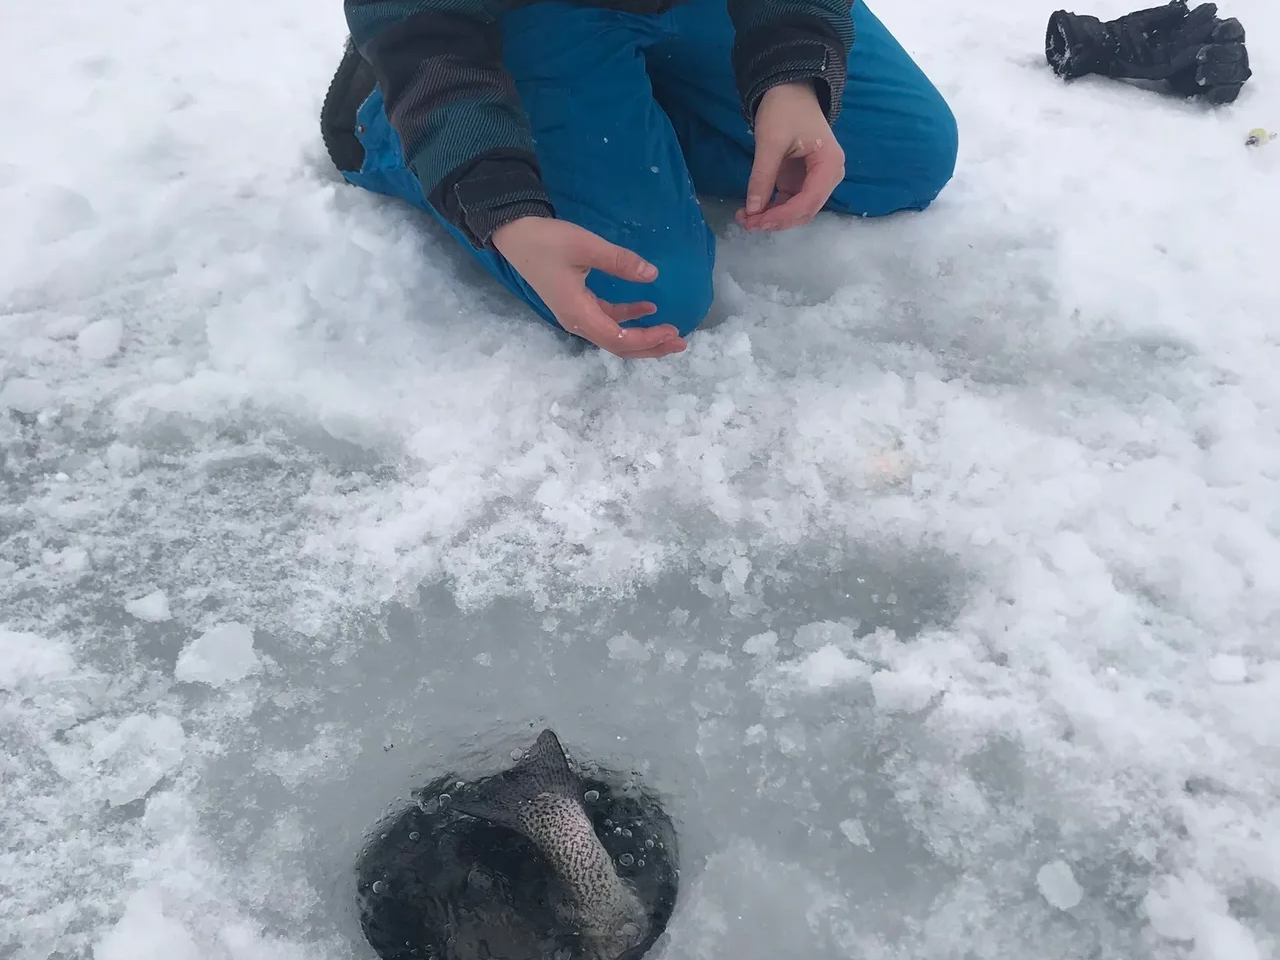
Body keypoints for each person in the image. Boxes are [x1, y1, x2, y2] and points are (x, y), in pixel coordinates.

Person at [322, 0, 958, 360]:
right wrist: (494, 195)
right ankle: (398, 128)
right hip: (517, 17)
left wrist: (791, 69)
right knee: (646, 295)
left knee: (905, 157)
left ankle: (635, 105)